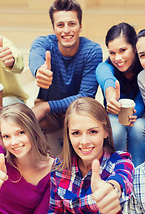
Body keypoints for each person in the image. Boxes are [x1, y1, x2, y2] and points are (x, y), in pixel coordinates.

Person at [47, 97, 134, 214]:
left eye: (93, 131)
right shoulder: (59, 167)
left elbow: (122, 179)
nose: (84, 141)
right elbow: (57, 211)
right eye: (76, 133)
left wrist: (113, 190)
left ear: (106, 132)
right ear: (68, 135)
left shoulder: (121, 161)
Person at [29, 0, 103, 133]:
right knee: (27, 126)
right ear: (53, 28)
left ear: (80, 26)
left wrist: (45, 106)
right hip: (51, 115)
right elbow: (36, 54)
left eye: (72, 24)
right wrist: (38, 70)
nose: (66, 30)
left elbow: (85, 96)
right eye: (60, 25)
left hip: (79, 111)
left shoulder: (92, 50)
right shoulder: (45, 42)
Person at [96, 22, 145, 167]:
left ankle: (136, 172)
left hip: (138, 115)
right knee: (116, 129)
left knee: (137, 128)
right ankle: (115, 170)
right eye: (112, 52)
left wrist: (134, 112)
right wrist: (111, 97)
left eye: (122, 50)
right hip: (113, 115)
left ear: (135, 47)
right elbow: (107, 79)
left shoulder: (143, 67)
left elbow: (142, 98)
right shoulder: (105, 67)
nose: (117, 58)